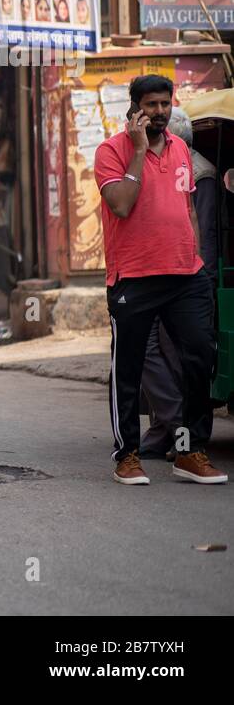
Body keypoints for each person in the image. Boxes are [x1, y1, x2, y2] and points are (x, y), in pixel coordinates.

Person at [94, 75, 226, 485]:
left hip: (185, 275)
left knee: (200, 356)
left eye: (165, 104)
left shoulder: (182, 149)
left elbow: (186, 206)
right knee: (130, 368)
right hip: (134, 276)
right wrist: (137, 152)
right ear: (134, 109)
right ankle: (127, 455)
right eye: (150, 105)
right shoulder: (110, 152)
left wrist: (197, 256)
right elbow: (121, 204)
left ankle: (189, 452)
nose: (159, 112)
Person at [139, 108, 219, 461]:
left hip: (183, 278)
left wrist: (201, 279)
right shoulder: (161, 165)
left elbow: (202, 233)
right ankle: (164, 431)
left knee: (169, 356)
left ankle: (176, 430)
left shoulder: (196, 173)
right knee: (153, 353)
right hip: (153, 274)